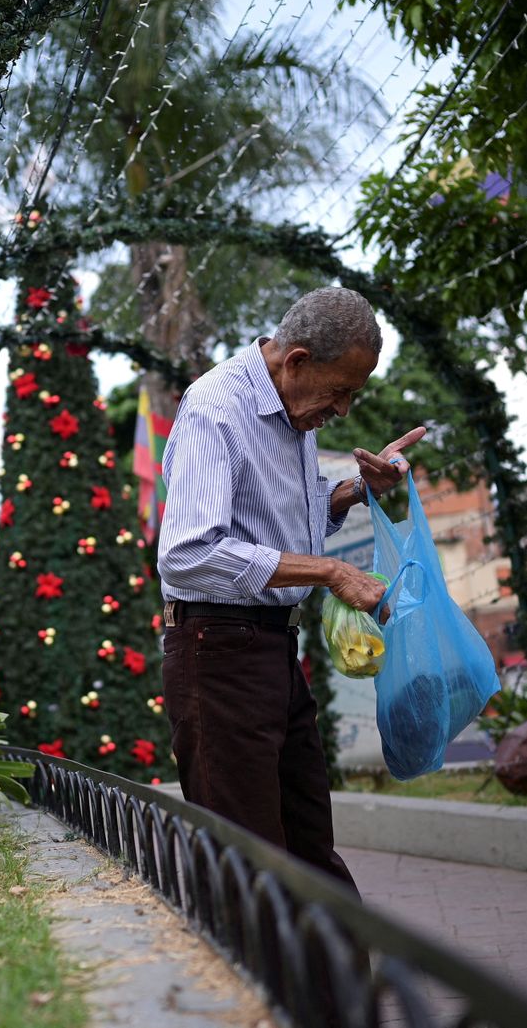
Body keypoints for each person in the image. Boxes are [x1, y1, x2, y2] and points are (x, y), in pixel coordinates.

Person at [156, 286, 423, 894]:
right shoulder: (216, 406)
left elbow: (284, 522)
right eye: (340, 391)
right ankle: (267, 987)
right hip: (217, 653)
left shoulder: (292, 408)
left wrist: (358, 488)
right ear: (297, 359)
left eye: (355, 393)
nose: (345, 410)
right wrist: (331, 572)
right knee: (251, 864)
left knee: (308, 847)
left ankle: (333, 988)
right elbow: (189, 553)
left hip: (273, 649)